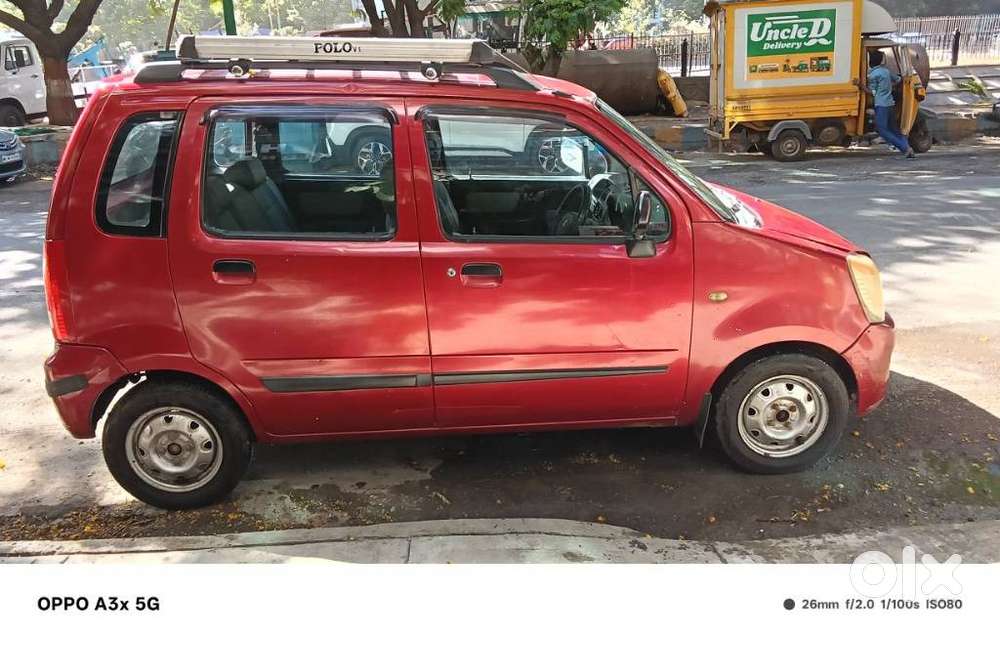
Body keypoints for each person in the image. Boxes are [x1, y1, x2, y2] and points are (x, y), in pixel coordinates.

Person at [866, 50, 915, 159]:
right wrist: (889, 86)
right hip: (890, 103)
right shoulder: (886, 71)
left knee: (882, 130)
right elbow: (898, 80)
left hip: (881, 105)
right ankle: (907, 148)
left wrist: (860, 85)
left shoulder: (872, 75)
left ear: (870, 62)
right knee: (894, 129)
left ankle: (905, 148)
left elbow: (872, 92)